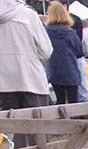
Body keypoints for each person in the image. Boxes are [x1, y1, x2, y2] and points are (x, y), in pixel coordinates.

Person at [0, 0, 52, 136]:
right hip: (30, 79)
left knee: (12, 133)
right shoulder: (28, 14)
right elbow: (46, 51)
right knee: (37, 131)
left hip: (4, 83)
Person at [45, 1, 83, 105]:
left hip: (54, 71)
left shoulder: (46, 32)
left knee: (60, 101)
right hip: (71, 71)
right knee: (74, 103)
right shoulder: (71, 32)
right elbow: (79, 52)